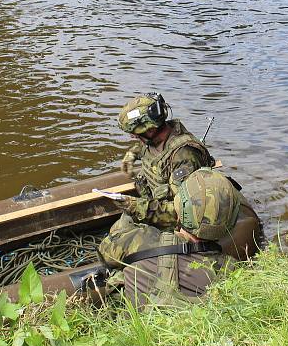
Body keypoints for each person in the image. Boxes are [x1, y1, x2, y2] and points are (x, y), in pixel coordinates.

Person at [98, 93, 214, 263]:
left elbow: (185, 215)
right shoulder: (156, 138)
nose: (133, 137)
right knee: (117, 232)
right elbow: (147, 148)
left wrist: (139, 207)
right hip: (153, 208)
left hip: (176, 228)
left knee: (113, 253)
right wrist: (132, 154)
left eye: (136, 134)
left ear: (151, 129)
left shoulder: (184, 157)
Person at [120, 167, 244, 308]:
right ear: (231, 220)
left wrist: (125, 220)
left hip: (141, 326)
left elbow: (104, 252)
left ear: (179, 210)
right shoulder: (232, 270)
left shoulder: (141, 239)